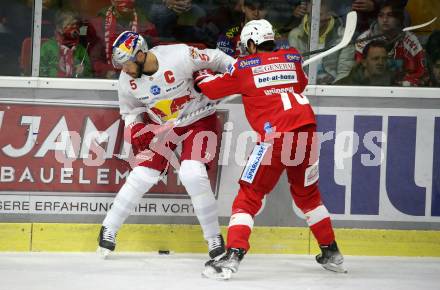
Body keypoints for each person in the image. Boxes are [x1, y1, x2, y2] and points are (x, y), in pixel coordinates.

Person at [194, 19, 345, 280]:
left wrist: (199, 74)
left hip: (275, 138)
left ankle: (232, 257)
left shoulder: (243, 67)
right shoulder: (293, 57)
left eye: (245, 46)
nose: (243, 50)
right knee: (308, 195)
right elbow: (300, 85)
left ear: (252, 43)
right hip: (307, 133)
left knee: (249, 195)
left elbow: (211, 89)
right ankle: (331, 252)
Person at [97, 31, 235, 260]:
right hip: (161, 125)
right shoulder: (126, 81)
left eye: (128, 64)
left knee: (192, 173)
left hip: (199, 120)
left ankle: (213, 237)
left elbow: (217, 58)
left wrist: (239, 70)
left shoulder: (179, 55)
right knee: (142, 173)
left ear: (141, 55)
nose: (125, 71)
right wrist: (135, 130)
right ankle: (108, 227)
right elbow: (129, 112)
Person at [355, 0, 425, 86]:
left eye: (390, 15)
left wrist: (404, 84)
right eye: (381, 15)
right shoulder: (363, 40)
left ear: (398, 18)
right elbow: (359, 74)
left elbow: (420, 73)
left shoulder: (410, 39)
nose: (384, 20)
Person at [85, 0, 158, 78]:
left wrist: (138, 70)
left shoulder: (146, 25)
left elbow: (152, 56)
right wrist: (105, 70)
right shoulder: (98, 23)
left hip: (137, 77)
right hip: (107, 79)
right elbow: (94, 57)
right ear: (112, 1)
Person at [288, 0, 355, 84]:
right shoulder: (295, 35)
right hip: (306, 87)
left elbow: (344, 72)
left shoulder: (344, 37)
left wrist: (333, 91)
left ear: (329, 15)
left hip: (333, 88)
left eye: (318, 15)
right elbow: (295, 69)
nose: (312, 20)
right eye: (309, 14)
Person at [40, 10, 92, 78]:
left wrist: (83, 70)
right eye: (69, 25)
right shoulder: (48, 47)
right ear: (59, 28)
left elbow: (89, 72)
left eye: (75, 25)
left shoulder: (80, 49)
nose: (74, 28)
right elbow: (39, 70)